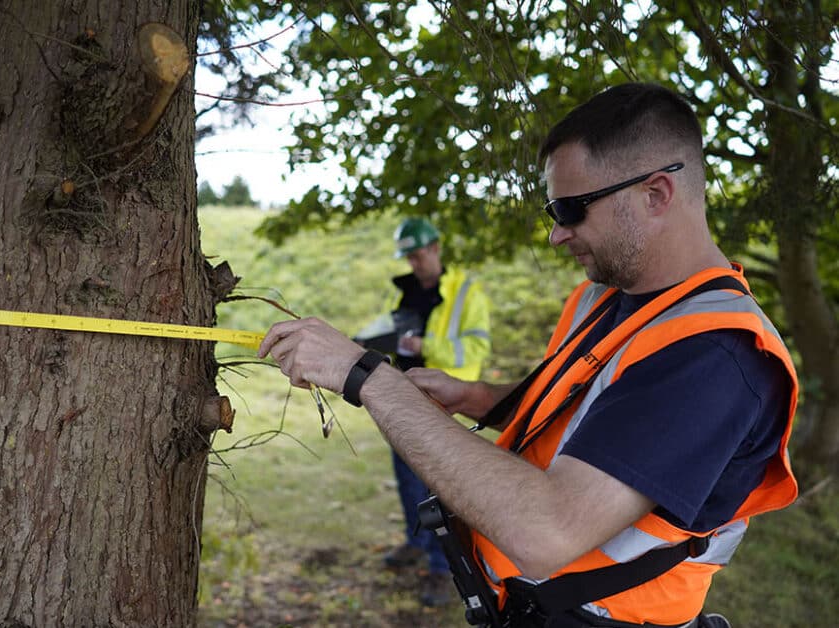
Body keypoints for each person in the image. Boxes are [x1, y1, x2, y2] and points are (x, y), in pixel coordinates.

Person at [258, 83, 798, 627]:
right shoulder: (614, 298)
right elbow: (589, 419)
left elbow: (547, 531)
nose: (558, 235)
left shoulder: (713, 355)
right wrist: (480, 399)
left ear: (656, 194)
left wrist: (368, 377)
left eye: (571, 210)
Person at [368, 217, 491, 607]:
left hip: (445, 403)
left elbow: (474, 350)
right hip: (404, 398)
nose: (414, 264)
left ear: (436, 248)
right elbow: (390, 335)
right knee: (407, 482)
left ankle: (443, 569)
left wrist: (427, 343)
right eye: (408, 257)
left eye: (418, 255)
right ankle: (415, 543)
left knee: (440, 489)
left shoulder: (466, 292)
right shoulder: (402, 292)